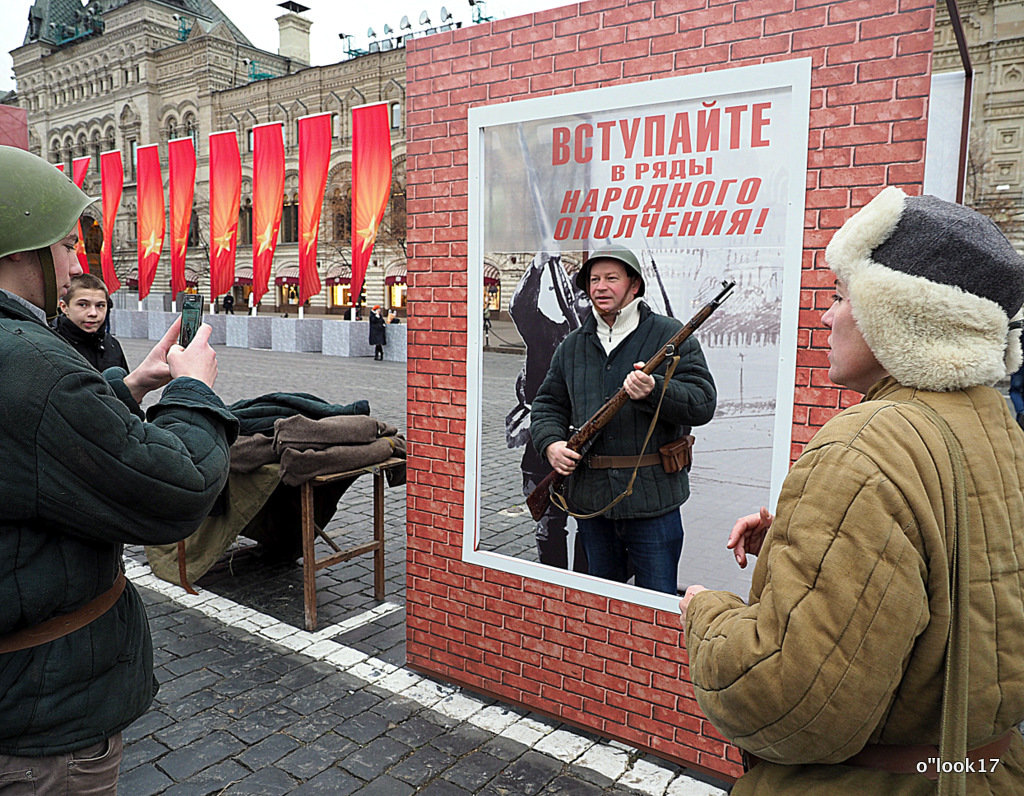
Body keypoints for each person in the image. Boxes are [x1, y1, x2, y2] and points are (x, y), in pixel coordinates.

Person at [680, 187, 1024, 794]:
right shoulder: (999, 426)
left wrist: (705, 611)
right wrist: (801, 541)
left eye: (841, 296)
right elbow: (965, 579)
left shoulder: (863, 448)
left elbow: (785, 702)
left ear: (895, 312)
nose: (826, 315)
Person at [0, 145, 237, 792]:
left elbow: (34, 447)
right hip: (43, 722)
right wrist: (195, 392)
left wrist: (127, 389)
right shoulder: (28, 362)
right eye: (64, 244)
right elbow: (175, 493)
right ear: (19, 250)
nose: (78, 261)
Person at [530, 247, 717, 593]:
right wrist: (551, 444)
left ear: (634, 285)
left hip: (654, 502)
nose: (601, 286)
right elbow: (547, 405)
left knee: (656, 604)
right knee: (602, 607)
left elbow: (703, 403)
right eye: (594, 279)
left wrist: (655, 389)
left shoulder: (669, 335)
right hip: (593, 505)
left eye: (611, 278)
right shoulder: (572, 345)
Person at [53, 271, 129, 371]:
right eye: (83, 305)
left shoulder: (112, 345)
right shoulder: (52, 345)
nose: (93, 313)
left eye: (100, 305)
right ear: (64, 307)